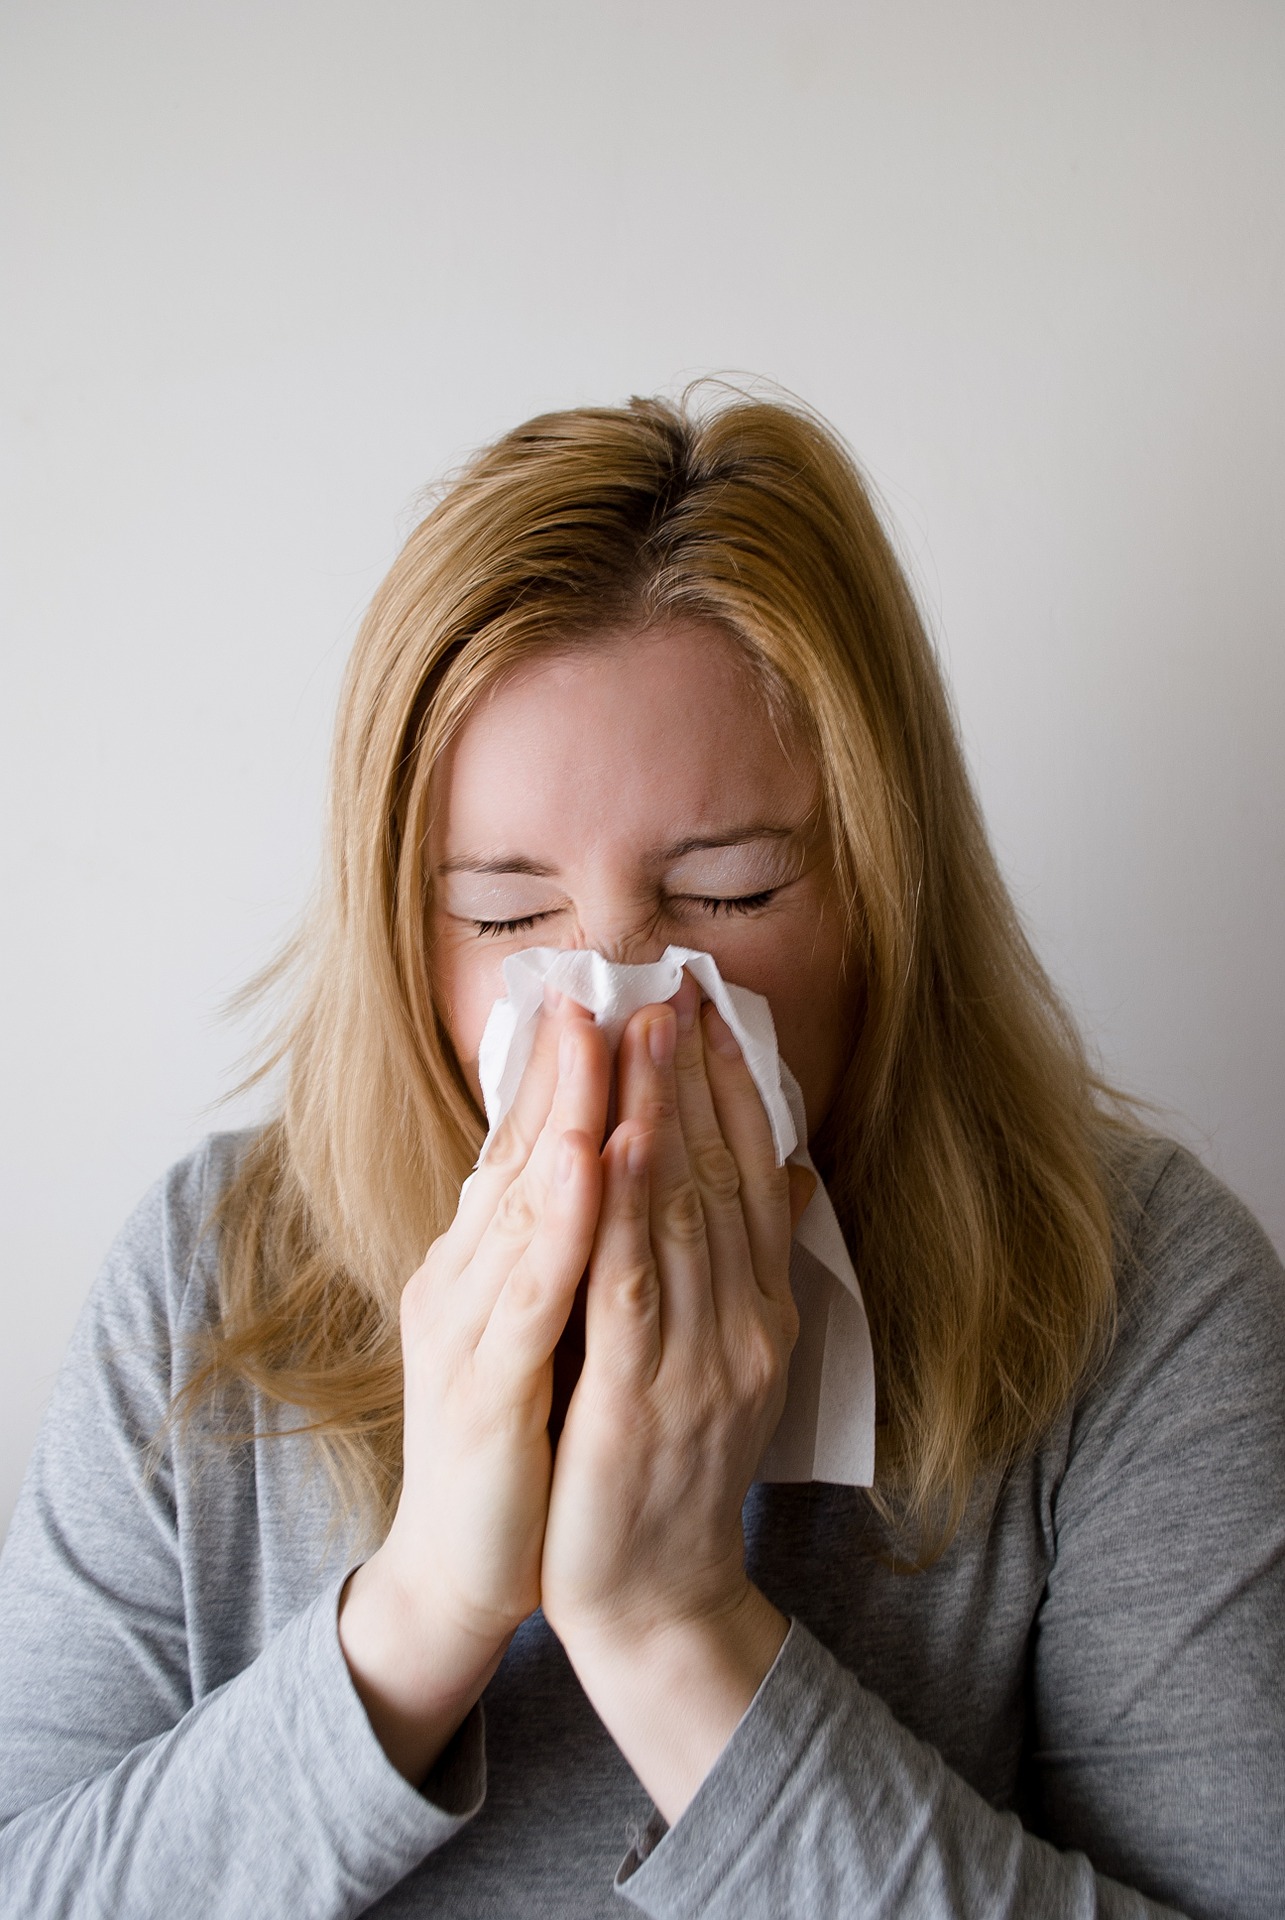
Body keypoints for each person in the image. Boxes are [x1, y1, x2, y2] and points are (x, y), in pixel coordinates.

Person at [0, 389, 1282, 1920]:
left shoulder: (1131, 1289)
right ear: (400, 929)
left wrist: (679, 1635)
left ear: (883, 892)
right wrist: (419, 1612)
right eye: (499, 915)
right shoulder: (208, 1273)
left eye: (731, 896)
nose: (613, 998)